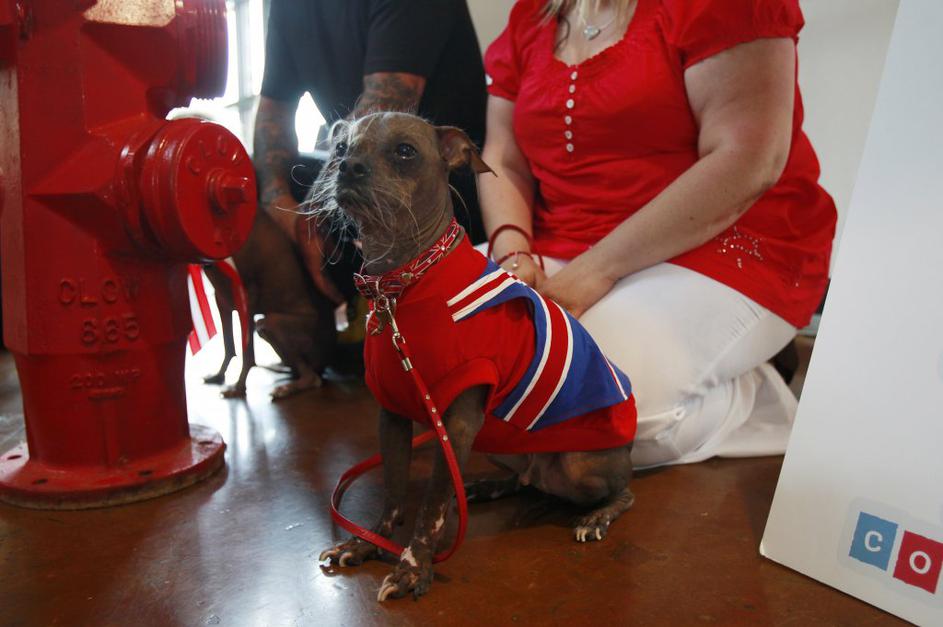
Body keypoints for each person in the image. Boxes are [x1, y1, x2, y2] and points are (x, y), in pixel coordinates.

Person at [480, 0, 837, 467]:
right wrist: (512, 253)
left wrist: (593, 273)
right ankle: (688, 375)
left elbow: (748, 159)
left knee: (590, 423)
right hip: (563, 239)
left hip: (718, 243)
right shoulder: (534, 15)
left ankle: (751, 397)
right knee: (437, 361)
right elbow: (502, 155)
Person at [255, 0, 488, 307]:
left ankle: (339, 314)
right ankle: (303, 323)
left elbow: (381, 113)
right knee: (250, 189)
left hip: (438, 181)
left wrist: (312, 214)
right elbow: (273, 116)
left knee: (331, 199)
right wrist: (282, 207)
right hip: (355, 167)